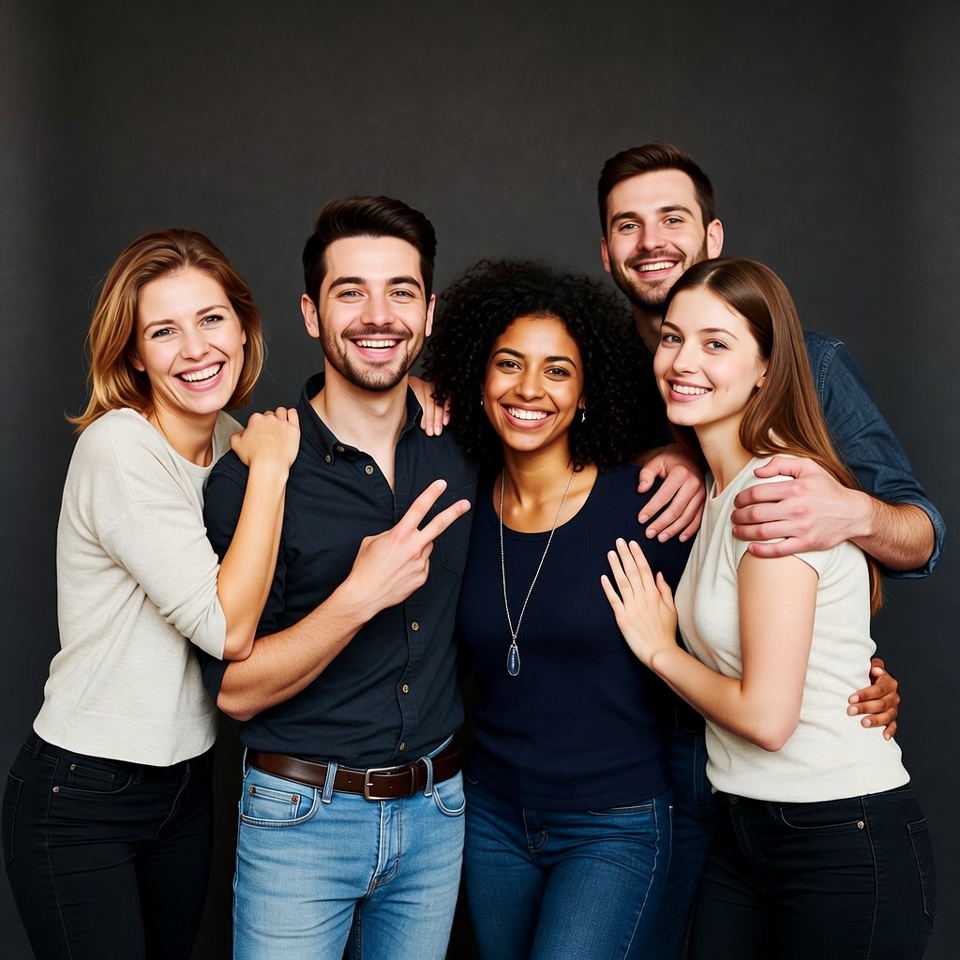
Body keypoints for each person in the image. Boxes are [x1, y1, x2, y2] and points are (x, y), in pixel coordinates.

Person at [596, 141, 942, 956]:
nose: (651, 240)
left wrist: (851, 510)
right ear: (604, 249)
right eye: (627, 225)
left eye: (672, 218)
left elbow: (918, 531)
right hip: (717, 797)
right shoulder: (617, 382)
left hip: (821, 809)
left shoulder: (782, 472)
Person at [2, 229, 301, 960]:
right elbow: (228, 631)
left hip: (185, 787)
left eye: (211, 319)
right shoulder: (120, 448)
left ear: (242, 324)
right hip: (82, 795)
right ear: (135, 353)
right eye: (164, 331)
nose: (196, 349)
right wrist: (268, 473)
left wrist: (424, 390)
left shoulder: (237, 443)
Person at [198, 196, 474, 960]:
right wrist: (359, 596)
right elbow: (237, 690)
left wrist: (676, 461)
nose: (377, 316)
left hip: (438, 812)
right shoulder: (255, 477)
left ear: (429, 312)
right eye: (350, 291)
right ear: (312, 314)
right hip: (301, 817)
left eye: (401, 292)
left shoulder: (463, 446)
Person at [423, 258, 688, 959]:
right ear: (479, 382)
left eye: (557, 371)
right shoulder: (461, 509)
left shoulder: (648, 504)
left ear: (587, 394)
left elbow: (738, 617)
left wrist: (857, 674)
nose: (529, 389)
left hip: (615, 822)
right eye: (508, 364)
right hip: (492, 819)